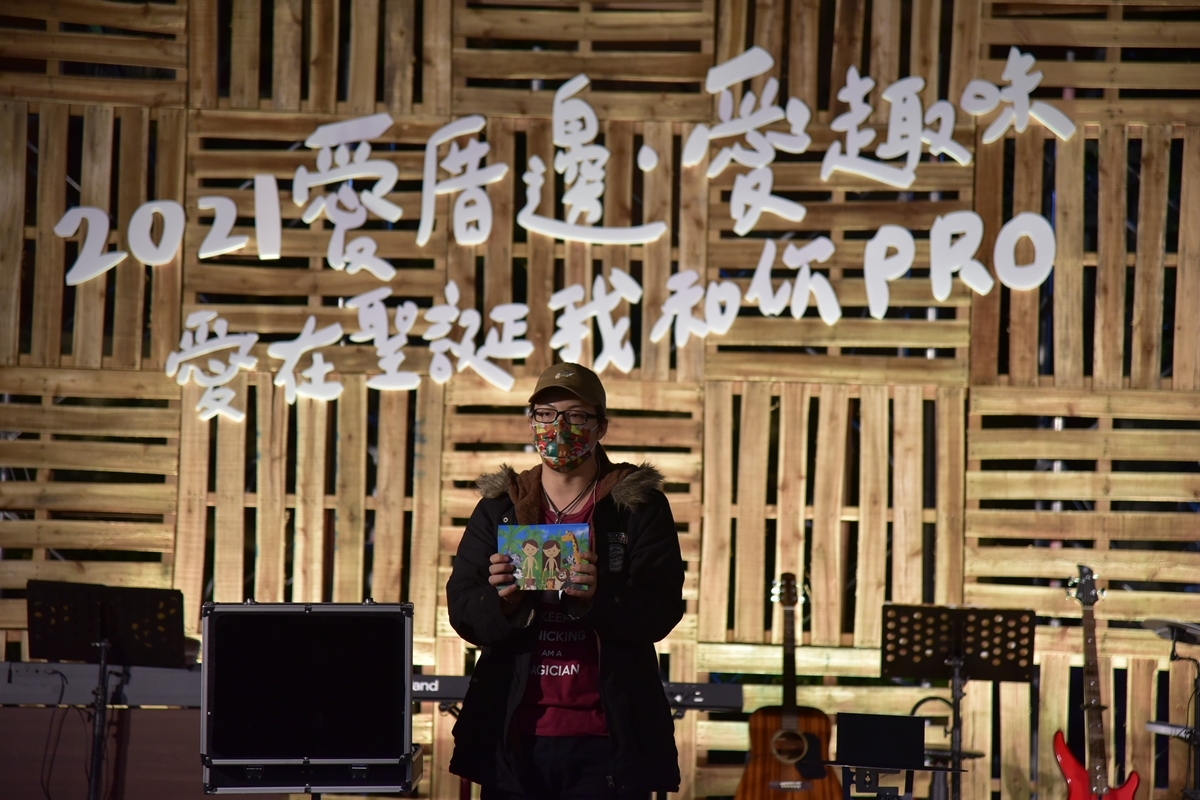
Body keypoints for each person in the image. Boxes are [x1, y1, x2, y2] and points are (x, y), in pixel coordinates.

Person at [446, 362, 685, 800]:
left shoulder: (637, 507)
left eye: (576, 415)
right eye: (546, 414)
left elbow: (662, 609)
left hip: (607, 738)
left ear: (601, 426)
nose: (558, 428)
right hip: (513, 734)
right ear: (531, 421)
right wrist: (501, 602)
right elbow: (462, 608)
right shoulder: (499, 508)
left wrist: (599, 599)